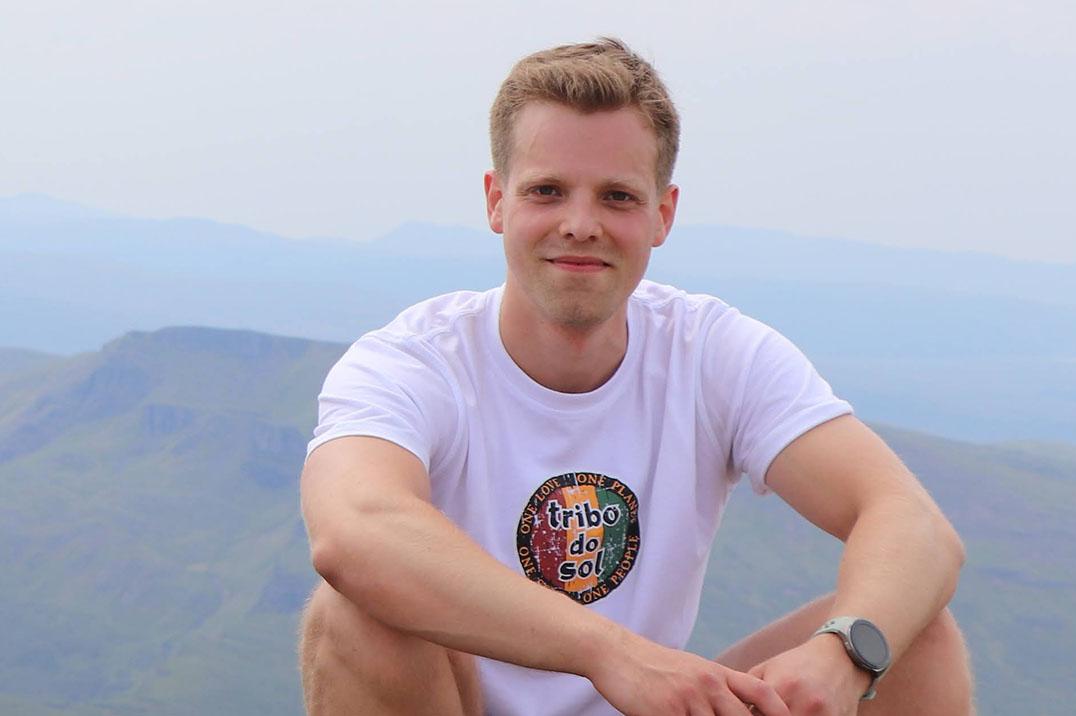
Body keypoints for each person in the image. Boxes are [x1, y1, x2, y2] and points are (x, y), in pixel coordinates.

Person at [298, 38, 972, 715]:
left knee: (905, 635)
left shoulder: (710, 351)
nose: (580, 224)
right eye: (547, 191)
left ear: (662, 215)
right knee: (355, 614)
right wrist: (610, 653)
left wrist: (841, 656)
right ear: (496, 201)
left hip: (654, 704)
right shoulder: (415, 362)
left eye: (618, 197)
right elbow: (353, 527)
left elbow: (911, 522)